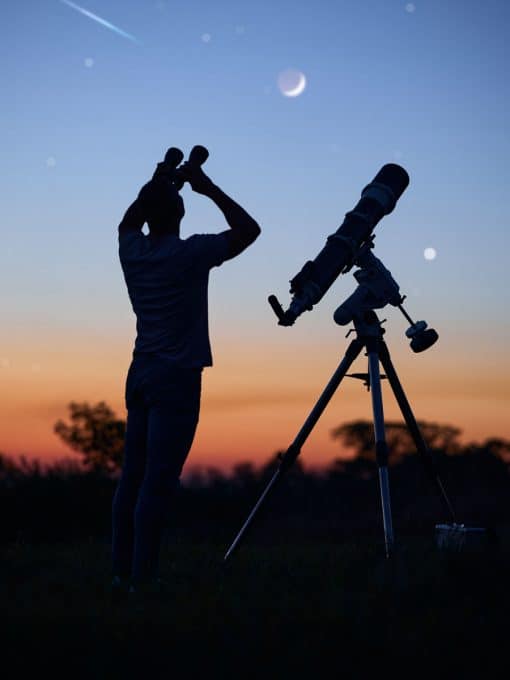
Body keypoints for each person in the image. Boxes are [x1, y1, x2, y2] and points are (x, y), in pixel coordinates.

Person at [111, 149, 261, 600]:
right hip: (176, 379)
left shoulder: (131, 250)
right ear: (180, 211)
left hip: (140, 373)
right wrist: (205, 184)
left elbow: (130, 218)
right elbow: (248, 230)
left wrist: (162, 179)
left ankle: (122, 575)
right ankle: (144, 581)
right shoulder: (193, 253)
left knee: (130, 479)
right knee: (157, 482)